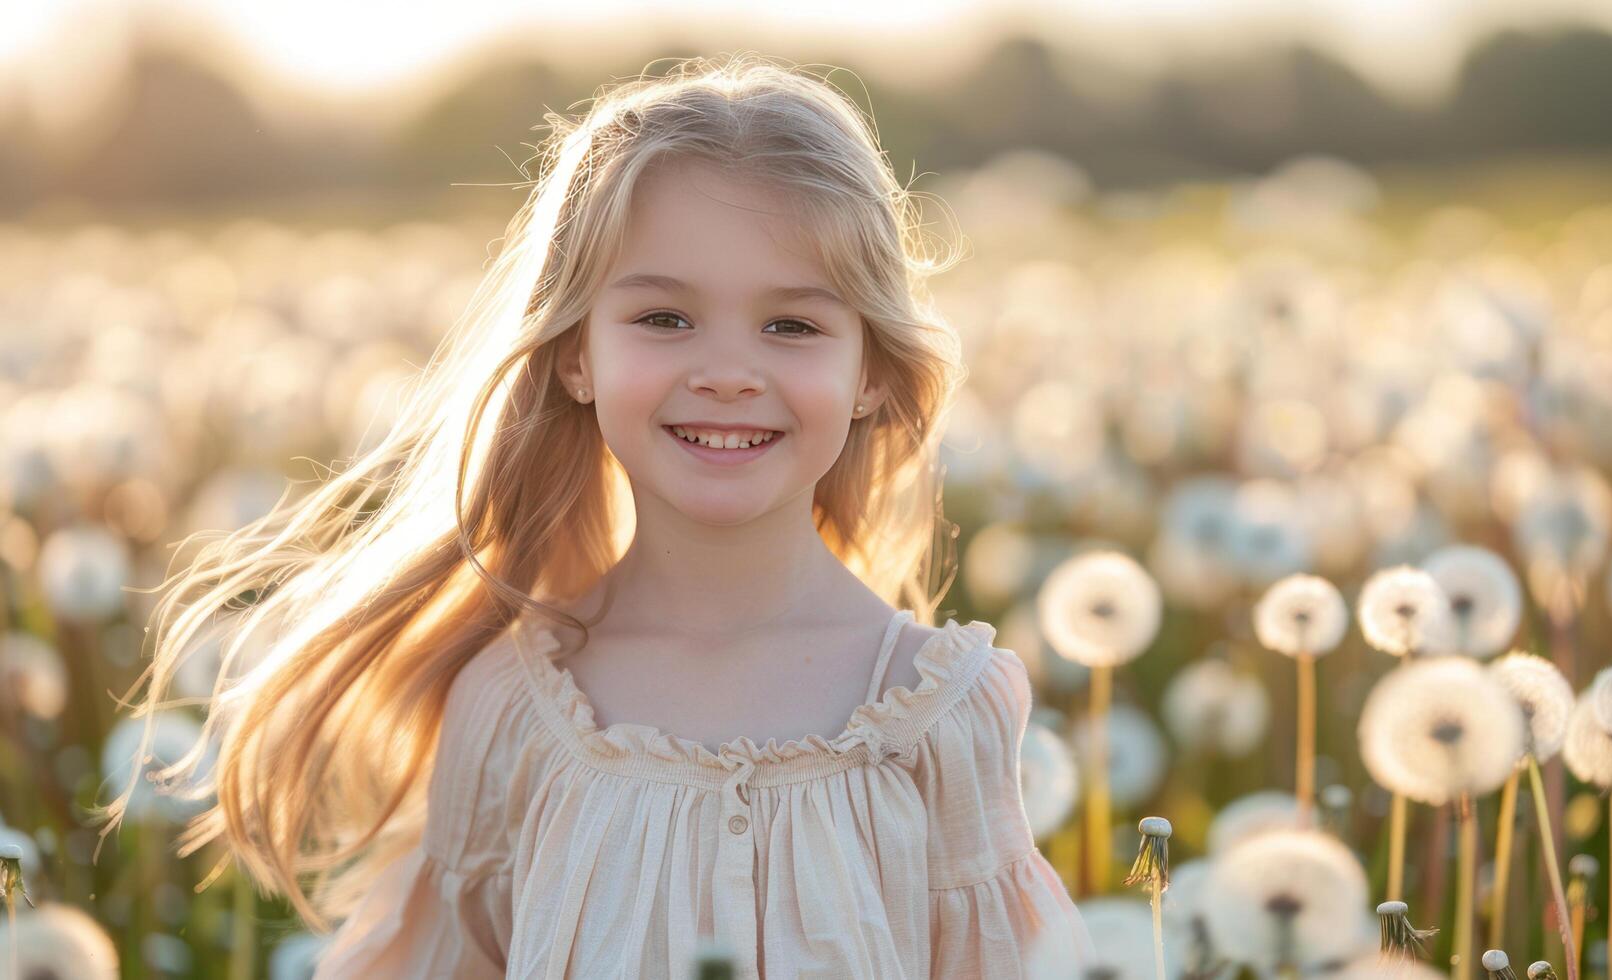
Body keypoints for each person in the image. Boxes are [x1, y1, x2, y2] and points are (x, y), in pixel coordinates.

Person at [96, 53, 1094, 978]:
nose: (728, 372)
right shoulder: (514, 705)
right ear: (576, 354)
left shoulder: (939, 711)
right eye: (664, 317)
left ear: (871, 371)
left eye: (792, 324)